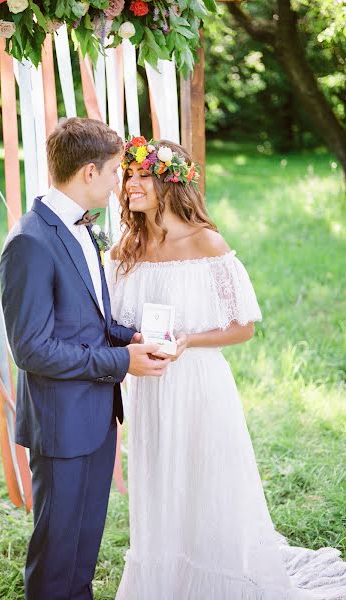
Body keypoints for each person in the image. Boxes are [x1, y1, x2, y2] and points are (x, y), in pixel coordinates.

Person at [107, 136, 346, 599]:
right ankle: (166, 577)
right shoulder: (125, 250)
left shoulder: (206, 243)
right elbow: (113, 322)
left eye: (141, 176)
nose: (130, 184)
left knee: (205, 478)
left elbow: (243, 327)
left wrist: (189, 340)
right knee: (160, 481)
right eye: (128, 175)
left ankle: (215, 574)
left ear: (168, 182)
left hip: (198, 382)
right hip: (151, 387)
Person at [0, 119, 170, 600]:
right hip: (61, 421)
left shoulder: (79, 228)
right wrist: (121, 363)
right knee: (58, 548)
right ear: (90, 172)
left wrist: (127, 335)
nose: (122, 182)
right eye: (116, 171)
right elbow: (31, 348)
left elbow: (85, 315)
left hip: (95, 414)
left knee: (83, 542)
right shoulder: (31, 242)